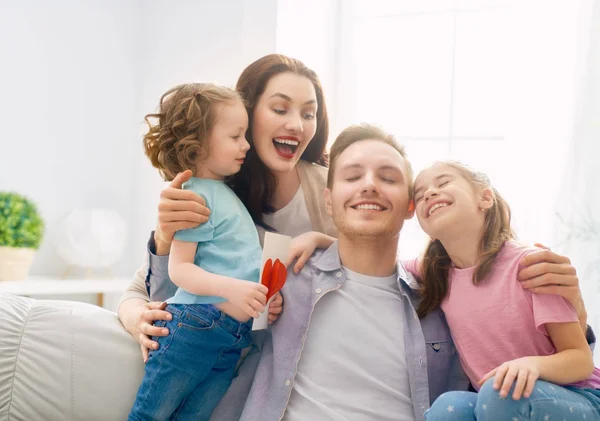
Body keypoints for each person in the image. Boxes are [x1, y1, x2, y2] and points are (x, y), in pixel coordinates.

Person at [148, 124, 594, 421]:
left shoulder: (437, 294)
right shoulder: (281, 268)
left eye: (387, 176)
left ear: (408, 207)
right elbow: (189, 315)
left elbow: (520, 339)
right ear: (328, 200)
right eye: (353, 175)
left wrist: (575, 308)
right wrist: (143, 292)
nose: (368, 185)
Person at [118, 54, 337, 359]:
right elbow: (140, 294)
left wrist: (320, 240)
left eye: (309, 114)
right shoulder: (211, 189)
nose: (296, 125)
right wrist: (138, 316)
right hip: (237, 368)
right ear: (246, 114)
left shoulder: (332, 190)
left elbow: (367, 271)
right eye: (279, 109)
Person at [406, 161, 600, 420]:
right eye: (420, 195)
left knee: (500, 393)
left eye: (443, 183)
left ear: (485, 198)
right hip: (497, 402)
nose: (429, 193)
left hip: (576, 395)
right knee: (447, 407)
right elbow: (369, 259)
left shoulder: (531, 265)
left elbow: (581, 360)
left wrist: (531, 365)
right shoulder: (435, 272)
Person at [127, 82, 272, 421]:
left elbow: (238, 262)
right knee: (150, 415)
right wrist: (233, 289)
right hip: (196, 326)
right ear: (198, 143)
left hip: (229, 336)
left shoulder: (222, 193)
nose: (246, 145)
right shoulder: (193, 196)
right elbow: (180, 270)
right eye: (235, 136)